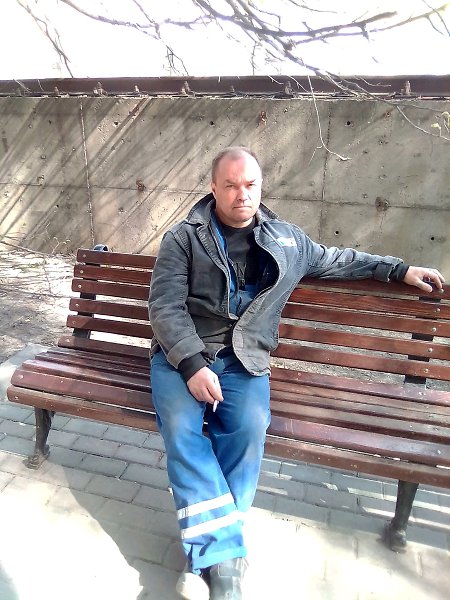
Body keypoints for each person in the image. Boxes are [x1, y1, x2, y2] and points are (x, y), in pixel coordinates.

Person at [148, 146, 444, 600]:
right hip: (182, 355)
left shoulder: (287, 241)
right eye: (230, 185)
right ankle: (226, 566)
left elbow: (340, 259)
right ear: (213, 188)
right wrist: (191, 365)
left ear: (261, 186)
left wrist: (399, 270)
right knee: (181, 429)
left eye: (250, 184)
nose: (241, 194)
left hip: (244, 360)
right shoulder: (184, 239)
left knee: (249, 428)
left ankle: (209, 553)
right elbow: (164, 307)